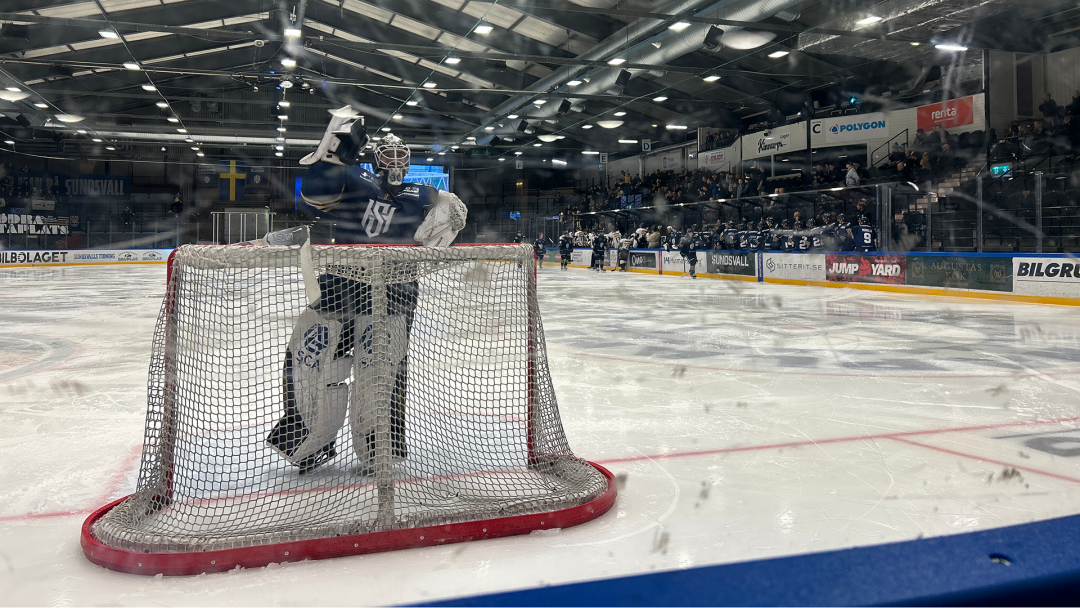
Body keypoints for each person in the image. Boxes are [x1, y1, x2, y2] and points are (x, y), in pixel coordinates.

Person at [266, 106, 467, 474]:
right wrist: (330, 159)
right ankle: (307, 442)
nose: (394, 158)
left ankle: (379, 448)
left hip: (394, 288)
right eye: (387, 152)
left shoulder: (425, 193)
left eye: (400, 152)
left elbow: (438, 242)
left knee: (381, 371)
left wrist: (453, 210)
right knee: (311, 360)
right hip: (341, 282)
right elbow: (315, 195)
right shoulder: (355, 177)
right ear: (375, 158)